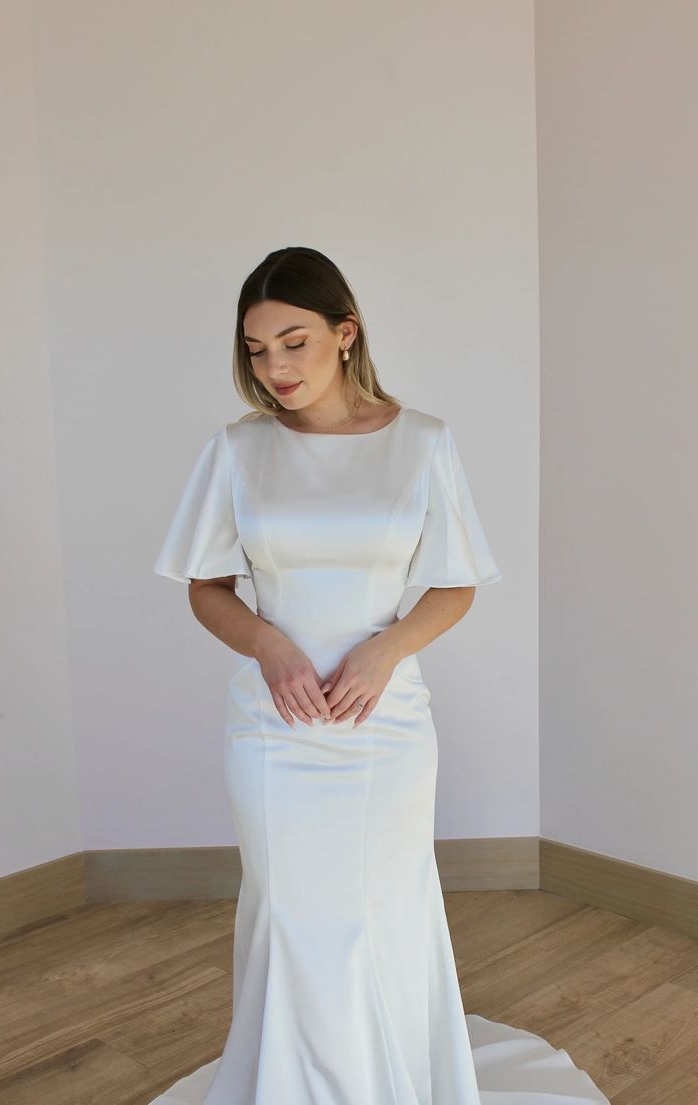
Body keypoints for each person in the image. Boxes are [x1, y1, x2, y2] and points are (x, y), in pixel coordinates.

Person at [150, 247, 610, 1104]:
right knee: (288, 913)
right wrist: (268, 645)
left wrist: (386, 647)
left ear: (344, 333)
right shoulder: (238, 450)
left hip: (384, 726)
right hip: (274, 728)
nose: (275, 367)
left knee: (380, 911)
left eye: (294, 342)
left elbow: (456, 580)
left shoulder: (421, 440)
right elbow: (207, 588)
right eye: (256, 349)